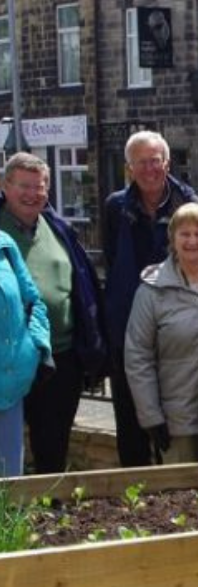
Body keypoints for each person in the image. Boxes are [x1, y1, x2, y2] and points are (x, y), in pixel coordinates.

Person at [0, 152, 106, 474]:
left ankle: (46, 518)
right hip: (10, 359)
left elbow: (82, 284)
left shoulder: (58, 228)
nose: (33, 194)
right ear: (5, 186)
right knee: (7, 453)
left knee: (53, 447)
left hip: (60, 358)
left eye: (40, 186)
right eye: (24, 186)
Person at [102, 130, 198, 467]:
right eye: (140, 163)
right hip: (126, 329)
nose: (149, 169)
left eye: (154, 161)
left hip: (173, 332)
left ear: (167, 162)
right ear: (130, 168)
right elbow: (112, 261)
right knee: (130, 427)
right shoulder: (116, 207)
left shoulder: (188, 204)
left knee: (172, 427)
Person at [124, 204, 198, 464]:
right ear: (173, 239)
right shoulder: (151, 290)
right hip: (175, 418)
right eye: (185, 234)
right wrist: (151, 417)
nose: (192, 241)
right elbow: (138, 357)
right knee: (180, 497)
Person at [0, 229, 50, 477]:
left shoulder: (5, 245)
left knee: (10, 490)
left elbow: (34, 301)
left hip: (10, 387)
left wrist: (35, 348)